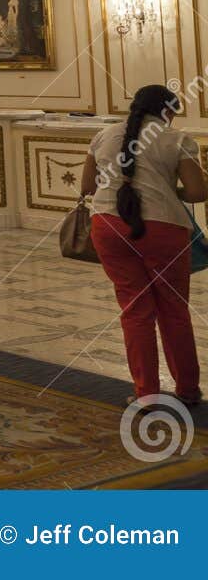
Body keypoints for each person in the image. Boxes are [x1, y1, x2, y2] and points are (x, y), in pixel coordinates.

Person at [81, 84, 207, 406]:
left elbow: (86, 188)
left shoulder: (103, 137)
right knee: (173, 310)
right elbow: (196, 193)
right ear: (167, 111)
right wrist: (168, 192)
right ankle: (187, 390)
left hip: (108, 226)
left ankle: (146, 395)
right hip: (163, 229)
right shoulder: (177, 139)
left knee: (135, 311)